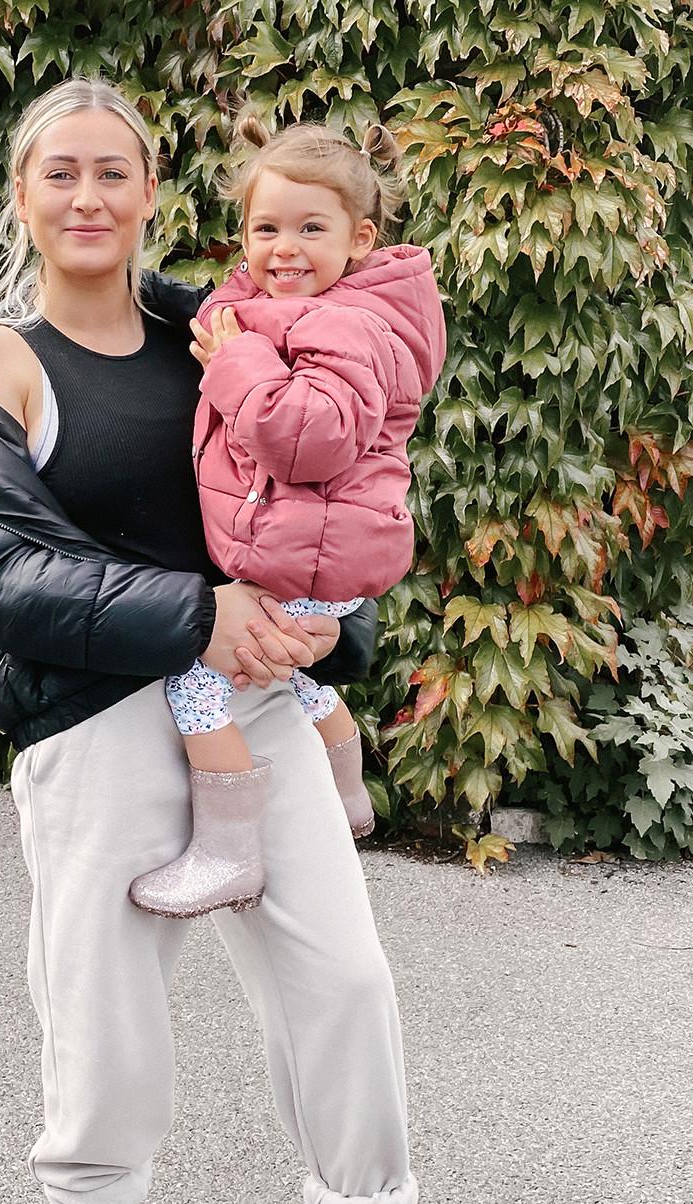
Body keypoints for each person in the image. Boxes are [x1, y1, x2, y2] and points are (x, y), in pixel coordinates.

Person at [0, 76, 469, 1204]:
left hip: (250, 707)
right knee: (105, 1006)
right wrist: (201, 612)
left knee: (346, 979)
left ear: (151, 190)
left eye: (114, 173)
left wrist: (332, 636)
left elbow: (335, 479)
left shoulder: (224, 322)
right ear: (24, 193)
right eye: (60, 173)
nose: (89, 197)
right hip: (95, 717)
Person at [129, 115, 446, 920]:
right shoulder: (304, 305)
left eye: (312, 228)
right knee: (295, 672)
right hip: (321, 554)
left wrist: (235, 364)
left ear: (360, 238)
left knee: (193, 682)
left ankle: (229, 852)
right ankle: (346, 795)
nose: (285, 248)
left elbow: (312, 438)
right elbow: (226, 315)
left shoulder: (347, 323)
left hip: (310, 556)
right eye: (266, 228)